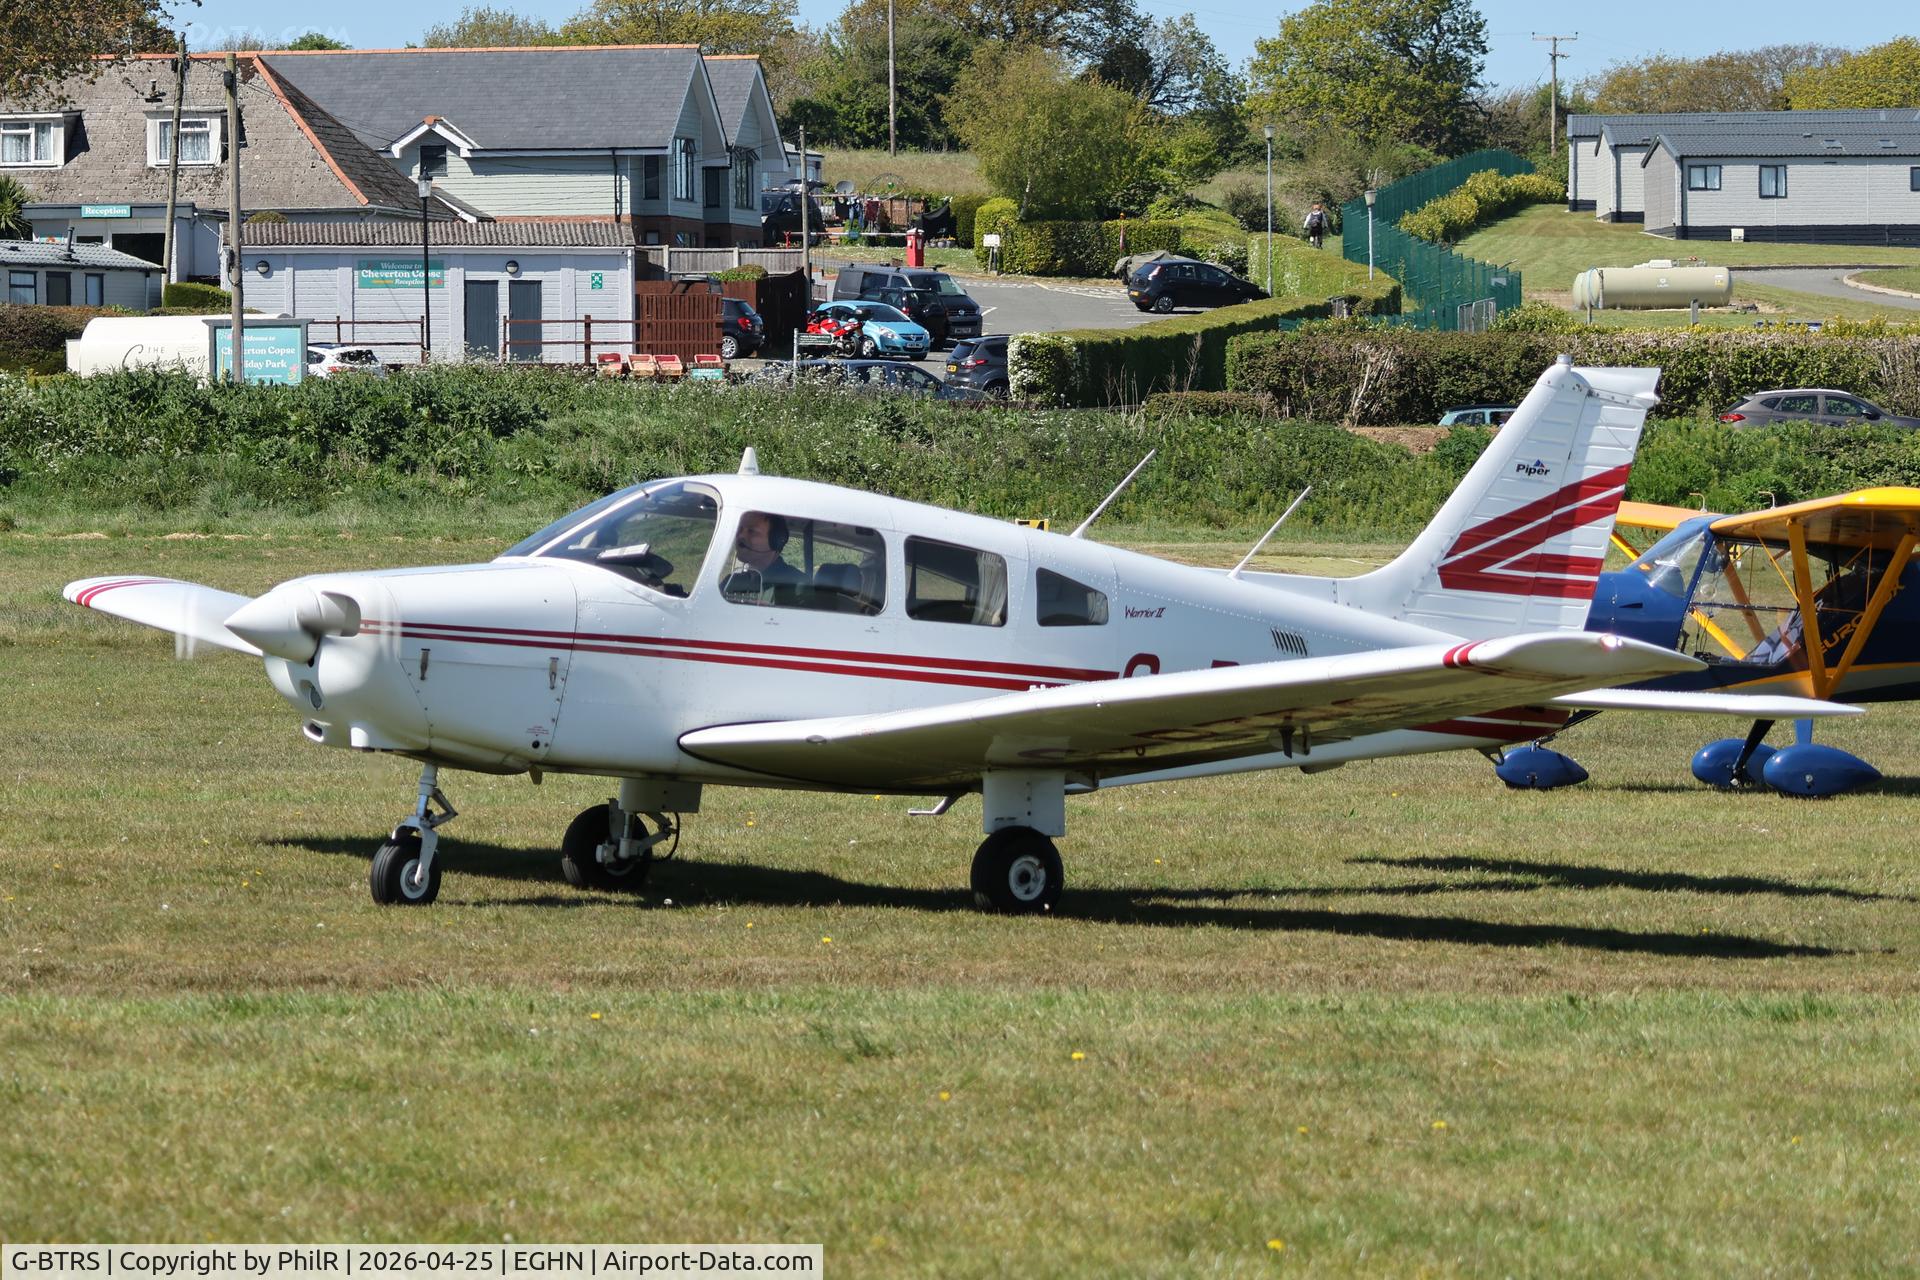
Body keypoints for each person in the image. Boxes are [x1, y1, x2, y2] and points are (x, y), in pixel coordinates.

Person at [722, 512, 805, 603]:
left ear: (776, 541)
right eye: (739, 529)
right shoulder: (731, 581)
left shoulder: (797, 584)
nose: (740, 535)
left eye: (752, 531)